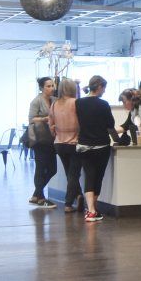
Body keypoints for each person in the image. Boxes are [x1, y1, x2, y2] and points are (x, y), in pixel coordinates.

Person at [73, 75, 117, 222]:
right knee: (98, 177)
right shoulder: (103, 104)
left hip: (83, 145)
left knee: (89, 176)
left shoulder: (79, 103)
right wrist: (117, 139)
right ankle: (92, 209)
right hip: (101, 145)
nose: (104, 91)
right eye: (104, 88)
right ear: (99, 87)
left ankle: (91, 209)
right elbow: (110, 125)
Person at [49, 77, 82, 212]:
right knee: (74, 174)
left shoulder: (54, 105)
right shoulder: (76, 103)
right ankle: (68, 204)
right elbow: (82, 122)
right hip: (74, 142)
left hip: (59, 143)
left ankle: (79, 195)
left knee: (70, 173)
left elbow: (51, 127)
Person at [25, 77, 56, 206]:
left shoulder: (55, 100)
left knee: (53, 169)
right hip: (39, 139)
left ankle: (36, 194)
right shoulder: (36, 101)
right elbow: (31, 119)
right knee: (40, 166)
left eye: (52, 85)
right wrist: (44, 119)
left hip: (52, 138)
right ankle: (40, 196)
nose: (51, 88)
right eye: (48, 86)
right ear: (42, 88)